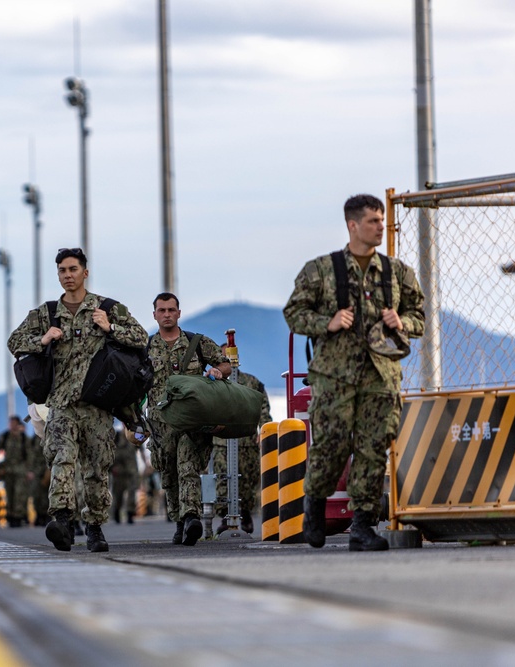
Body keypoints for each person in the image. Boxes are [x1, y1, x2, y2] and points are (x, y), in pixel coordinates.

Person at [284, 193, 425, 552]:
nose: (381, 227)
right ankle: (314, 505)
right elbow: (294, 313)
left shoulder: (397, 273)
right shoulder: (321, 270)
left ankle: (362, 526)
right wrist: (326, 322)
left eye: (381, 220)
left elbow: (419, 317)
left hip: (381, 377)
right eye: (373, 221)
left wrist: (401, 321)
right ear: (352, 225)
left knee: (372, 449)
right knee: (331, 447)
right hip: (334, 378)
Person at [8, 247, 148, 552]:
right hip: (61, 405)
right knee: (62, 459)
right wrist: (42, 339)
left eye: (73, 269)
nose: (67, 275)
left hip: (97, 406)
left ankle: (95, 526)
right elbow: (14, 341)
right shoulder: (45, 314)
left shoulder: (108, 308)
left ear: (85, 272)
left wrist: (110, 327)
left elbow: (141, 338)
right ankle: (61, 521)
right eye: (62, 270)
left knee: (96, 469)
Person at [146, 292, 228, 546]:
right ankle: (180, 521)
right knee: (169, 472)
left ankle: (191, 516)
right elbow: (134, 383)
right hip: (161, 425)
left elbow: (226, 364)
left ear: (179, 313)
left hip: (192, 421)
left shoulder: (196, 342)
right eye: (162, 310)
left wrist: (216, 370)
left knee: (187, 464)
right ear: (155, 315)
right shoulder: (146, 348)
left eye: (172, 310)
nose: (167, 314)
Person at [211, 361, 272, 534]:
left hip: (247, 441)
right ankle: (226, 516)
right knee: (222, 477)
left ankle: (245, 514)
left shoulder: (252, 382)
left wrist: (265, 430)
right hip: (222, 441)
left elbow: (263, 409)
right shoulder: (213, 384)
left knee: (247, 479)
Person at [0, 416, 34, 528]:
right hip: (8, 470)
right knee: (9, 494)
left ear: (18, 424)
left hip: (20, 470)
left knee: (19, 494)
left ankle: (18, 517)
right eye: (10, 423)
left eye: (14, 423)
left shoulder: (24, 438)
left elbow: (30, 456)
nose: (12, 425)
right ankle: (10, 515)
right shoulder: (4, 437)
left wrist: (30, 470)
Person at [110, 426, 141, 524]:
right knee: (118, 494)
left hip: (132, 471)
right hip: (119, 471)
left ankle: (130, 514)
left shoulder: (134, 435)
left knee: (132, 492)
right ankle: (116, 512)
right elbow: (110, 452)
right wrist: (111, 468)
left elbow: (141, 447)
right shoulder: (117, 436)